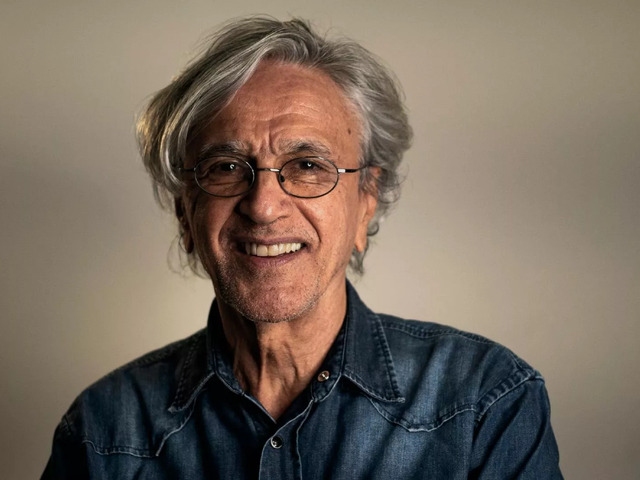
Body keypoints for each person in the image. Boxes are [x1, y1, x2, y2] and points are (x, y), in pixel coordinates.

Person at [42, 16, 562, 479]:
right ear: (185, 214)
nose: (264, 206)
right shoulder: (102, 432)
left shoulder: (484, 404)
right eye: (226, 168)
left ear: (366, 202)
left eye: (308, 166)